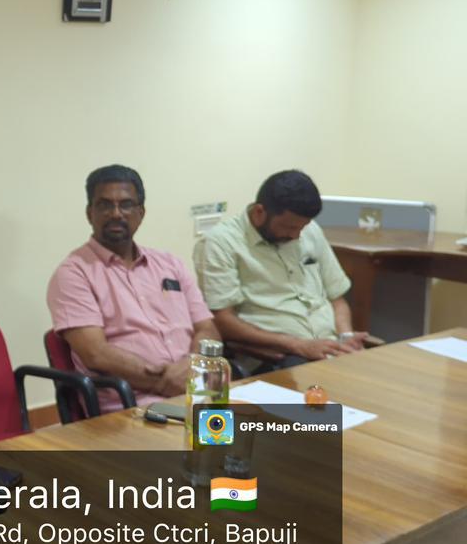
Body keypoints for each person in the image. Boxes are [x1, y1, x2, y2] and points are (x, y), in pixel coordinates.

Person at [46, 165, 221, 412]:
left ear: (141, 212)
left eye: (126, 205)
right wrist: (167, 383)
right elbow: (95, 354)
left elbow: (207, 328)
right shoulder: (73, 273)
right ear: (89, 213)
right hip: (135, 407)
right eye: (104, 205)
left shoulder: (170, 264)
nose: (116, 214)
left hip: (200, 391)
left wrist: (194, 366)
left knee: (266, 426)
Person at [193, 169, 364, 372]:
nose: (296, 236)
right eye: (289, 227)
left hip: (330, 349)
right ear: (259, 212)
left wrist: (346, 338)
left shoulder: (309, 230)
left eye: (302, 227)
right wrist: (297, 345)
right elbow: (222, 320)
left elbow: (337, 298)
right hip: (279, 356)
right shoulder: (220, 243)